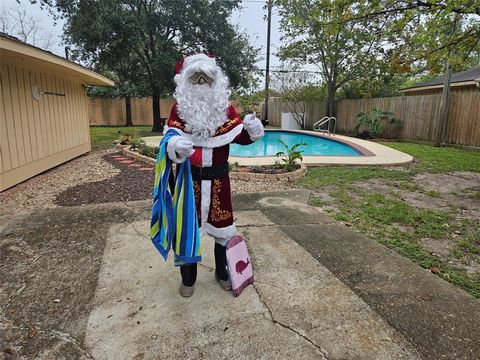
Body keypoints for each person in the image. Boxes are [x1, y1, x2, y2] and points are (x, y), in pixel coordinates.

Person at [150, 53, 264, 297]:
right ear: (185, 82)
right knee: (186, 232)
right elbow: (168, 141)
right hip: (188, 183)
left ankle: (222, 272)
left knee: (223, 231)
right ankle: (188, 279)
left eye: (206, 78)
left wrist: (252, 130)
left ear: (216, 82)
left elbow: (239, 136)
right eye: (195, 78)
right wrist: (174, 149)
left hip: (219, 184)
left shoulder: (226, 109)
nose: (201, 83)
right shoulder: (178, 111)